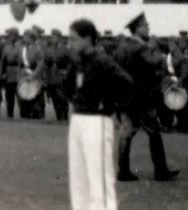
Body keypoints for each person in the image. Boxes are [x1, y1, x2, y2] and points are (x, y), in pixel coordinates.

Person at [67, 18, 132, 210]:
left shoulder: (103, 62)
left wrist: (108, 105)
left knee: (99, 177)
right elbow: (70, 87)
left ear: (88, 39)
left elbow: (126, 84)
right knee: (78, 175)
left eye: (74, 39)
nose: (70, 43)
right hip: (78, 120)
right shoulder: (77, 62)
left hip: (97, 121)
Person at [114, 13, 179, 182]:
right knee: (153, 132)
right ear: (138, 28)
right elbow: (152, 65)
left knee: (126, 133)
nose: (148, 28)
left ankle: (123, 170)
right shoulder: (141, 48)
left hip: (125, 97)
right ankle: (160, 170)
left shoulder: (122, 48)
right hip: (142, 98)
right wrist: (162, 58)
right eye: (146, 25)